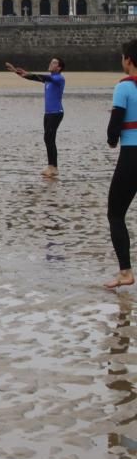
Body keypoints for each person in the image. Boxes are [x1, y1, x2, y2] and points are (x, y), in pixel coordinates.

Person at [105, 40, 137, 289]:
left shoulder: (124, 87)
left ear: (128, 60)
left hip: (132, 156)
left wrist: (112, 140)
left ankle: (126, 272)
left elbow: (115, 125)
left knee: (116, 213)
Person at [5, 58, 66, 177]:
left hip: (56, 113)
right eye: (51, 61)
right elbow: (36, 78)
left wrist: (27, 73)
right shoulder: (49, 79)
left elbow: (43, 77)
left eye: (54, 63)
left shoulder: (58, 78)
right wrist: (18, 72)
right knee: (47, 139)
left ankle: (54, 168)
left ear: (59, 68)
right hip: (48, 113)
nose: (50, 63)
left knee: (50, 138)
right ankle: (51, 166)